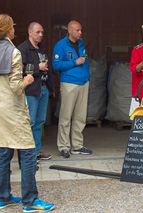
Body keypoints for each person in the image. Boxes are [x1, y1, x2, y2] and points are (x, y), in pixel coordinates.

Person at [0, 14, 54, 211]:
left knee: (4, 152)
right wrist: (27, 80)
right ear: (8, 30)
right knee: (29, 153)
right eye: (13, 27)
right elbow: (16, 88)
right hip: (14, 110)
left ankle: (3, 196)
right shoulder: (14, 53)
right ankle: (30, 201)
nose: (15, 29)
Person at [53, 20, 92, 158]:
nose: (80, 32)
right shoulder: (61, 45)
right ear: (69, 31)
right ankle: (63, 146)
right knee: (66, 117)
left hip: (83, 83)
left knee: (80, 117)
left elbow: (85, 61)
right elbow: (56, 65)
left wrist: (87, 77)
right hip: (69, 83)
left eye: (81, 30)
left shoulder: (81, 44)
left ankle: (77, 146)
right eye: (77, 30)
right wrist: (75, 62)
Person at [17, 22, 54, 161]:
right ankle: (27, 155)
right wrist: (37, 67)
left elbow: (48, 69)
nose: (40, 35)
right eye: (38, 32)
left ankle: (36, 152)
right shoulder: (22, 49)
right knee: (30, 123)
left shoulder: (42, 48)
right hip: (31, 90)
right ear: (30, 32)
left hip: (43, 88)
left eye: (42, 32)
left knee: (39, 122)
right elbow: (19, 69)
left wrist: (51, 88)